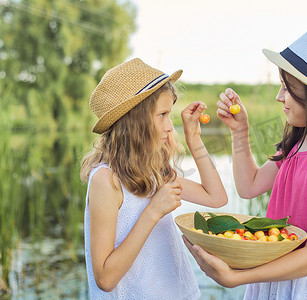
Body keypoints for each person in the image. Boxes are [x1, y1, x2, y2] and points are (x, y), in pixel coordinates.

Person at [183, 27, 307, 299]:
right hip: (268, 280)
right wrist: (240, 132)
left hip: (304, 285)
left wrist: (237, 277)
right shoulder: (297, 143)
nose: (278, 96)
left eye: (287, 88)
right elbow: (248, 186)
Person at [80, 58, 228, 299]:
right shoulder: (106, 180)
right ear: (135, 120)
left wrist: (194, 140)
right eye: (162, 114)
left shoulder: (152, 171)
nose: (170, 126)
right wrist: (153, 211)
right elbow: (105, 279)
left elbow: (216, 197)